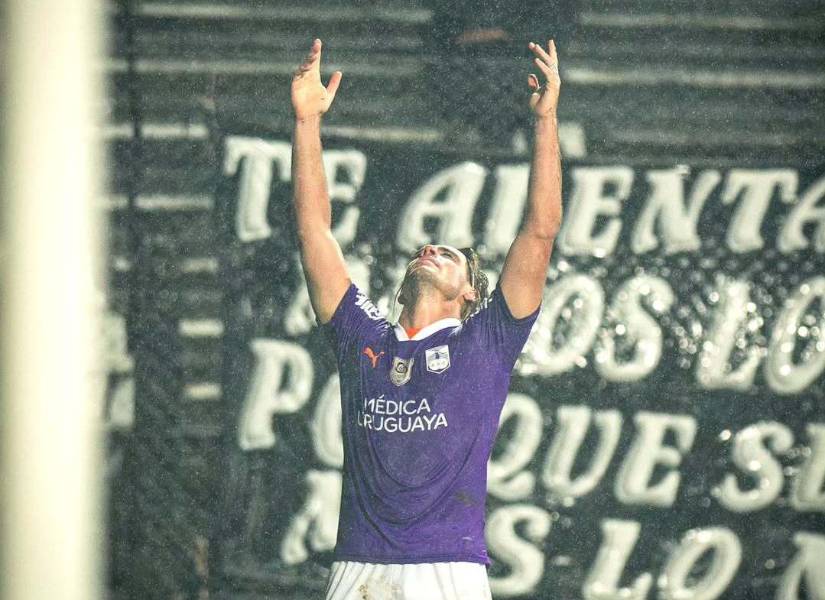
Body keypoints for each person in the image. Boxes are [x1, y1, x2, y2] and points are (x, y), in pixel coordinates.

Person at [290, 37, 561, 600]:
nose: (433, 248)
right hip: (359, 567)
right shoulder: (361, 336)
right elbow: (314, 229)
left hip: (448, 569)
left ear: (469, 295)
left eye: (453, 256)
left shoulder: (485, 340)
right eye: (429, 247)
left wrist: (546, 122)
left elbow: (539, 230)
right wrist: (306, 122)